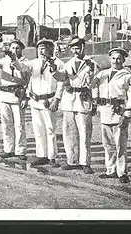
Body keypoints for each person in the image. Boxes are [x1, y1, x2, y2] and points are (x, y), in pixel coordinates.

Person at [12, 39, 64, 167]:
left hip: (49, 100)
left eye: (44, 48)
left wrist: (57, 99)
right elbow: (22, 68)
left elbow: (61, 83)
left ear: (51, 49)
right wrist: (13, 59)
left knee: (50, 129)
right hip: (35, 100)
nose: (41, 51)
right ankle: (41, 155)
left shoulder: (59, 63)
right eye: (39, 48)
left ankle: (52, 157)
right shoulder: (34, 63)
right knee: (38, 129)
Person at [50, 36, 98, 174]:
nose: (76, 50)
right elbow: (61, 79)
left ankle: (85, 162)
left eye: (78, 47)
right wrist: (54, 70)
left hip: (84, 99)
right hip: (69, 100)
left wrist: (95, 102)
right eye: (73, 48)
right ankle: (72, 160)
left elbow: (95, 84)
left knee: (84, 133)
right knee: (69, 132)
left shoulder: (91, 64)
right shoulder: (68, 64)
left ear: (83, 47)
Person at [91, 47, 131, 183]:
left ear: (123, 60)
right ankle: (110, 170)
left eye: (118, 58)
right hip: (105, 111)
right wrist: (95, 100)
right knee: (108, 144)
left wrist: (128, 114)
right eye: (113, 58)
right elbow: (93, 85)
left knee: (120, 145)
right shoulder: (102, 74)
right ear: (110, 59)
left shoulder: (128, 75)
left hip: (119, 111)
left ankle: (122, 172)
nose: (115, 61)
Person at [0, 39, 29, 161]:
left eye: (17, 48)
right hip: (4, 94)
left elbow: (26, 78)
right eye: (12, 48)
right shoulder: (3, 61)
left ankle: (20, 150)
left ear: (21, 49)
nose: (14, 50)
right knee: (6, 124)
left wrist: (26, 97)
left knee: (19, 125)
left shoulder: (26, 62)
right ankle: (8, 149)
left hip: (17, 95)